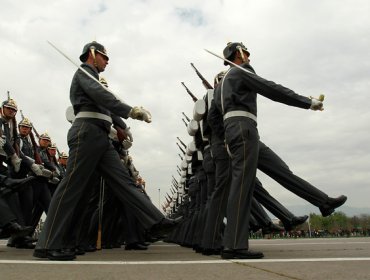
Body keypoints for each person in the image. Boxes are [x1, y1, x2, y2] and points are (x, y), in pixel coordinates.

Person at [34, 41, 180, 261]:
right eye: (104, 56)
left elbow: (110, 109)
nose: (107, 60)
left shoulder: (97, 82)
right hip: (86, 133)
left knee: (124, 181)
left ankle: (156, 222)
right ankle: (48, 243)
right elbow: (103, 97)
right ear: (92, 54)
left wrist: (125, 125)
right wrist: (131, 110)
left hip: (101, 137)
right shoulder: (85, 73)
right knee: (71, 188)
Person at [212, 41, 328, 259]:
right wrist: (307, 102)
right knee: (242, 187)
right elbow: (271, 89)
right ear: (238, 54)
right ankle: (234, 246)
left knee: (275, 171)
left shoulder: (220, 87)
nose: (248, 57)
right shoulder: (240, 71)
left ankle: (324, 201)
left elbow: (214, 118)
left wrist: (225, 138)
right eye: (245, 53)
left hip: (237, 130)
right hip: (243, 127)